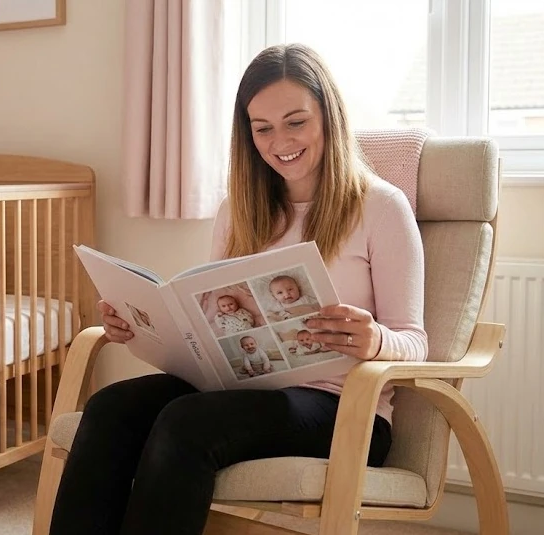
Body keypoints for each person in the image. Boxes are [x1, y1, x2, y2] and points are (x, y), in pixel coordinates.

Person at [48, 43, 428, 535]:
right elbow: (208, 328)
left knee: (188, 423)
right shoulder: (238, 210)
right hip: (243, 390)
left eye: (296, 122)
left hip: (343, 408)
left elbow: (415, 343)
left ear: (329, 118)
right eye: (262, 128)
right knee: (109, 408)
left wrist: (375, 339)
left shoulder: (381, 207)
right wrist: (140, 324)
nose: (279, 141)